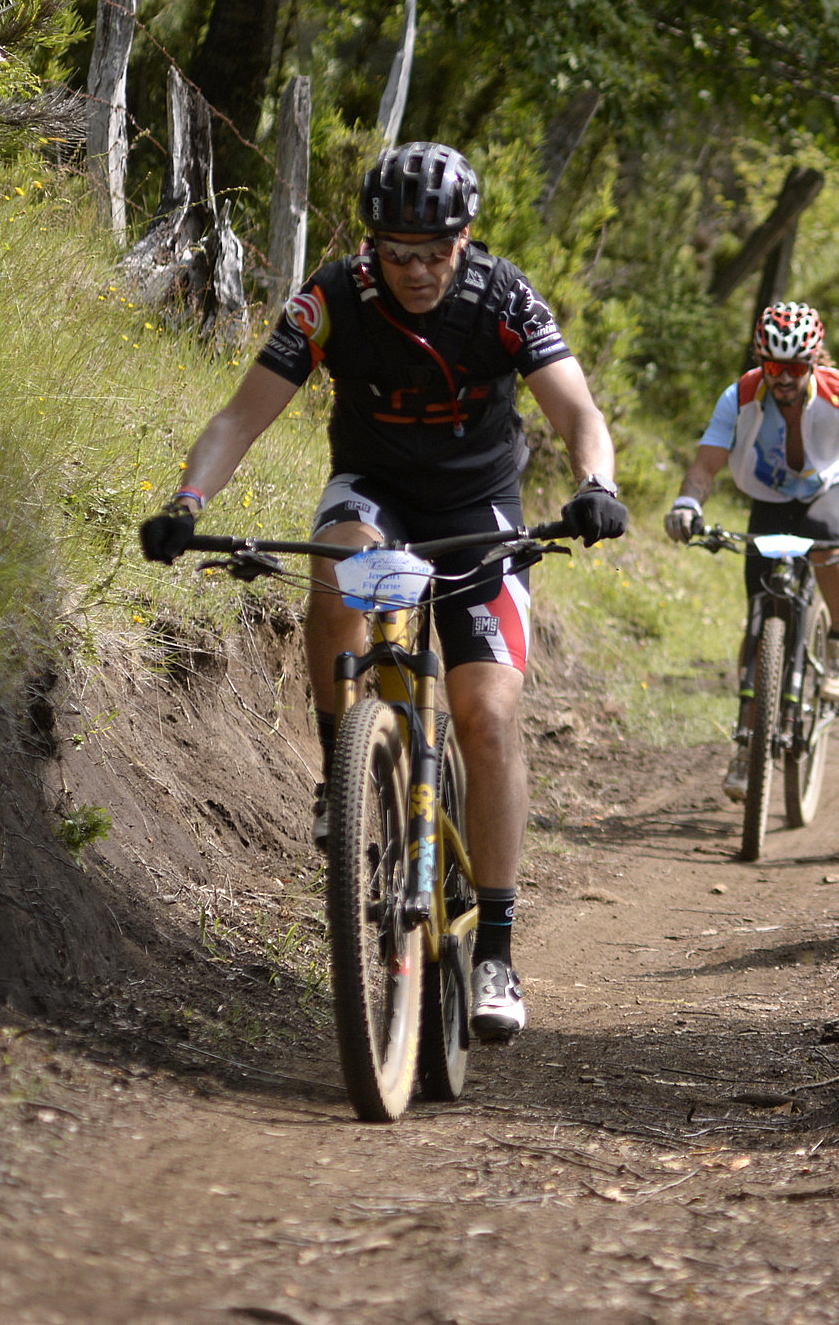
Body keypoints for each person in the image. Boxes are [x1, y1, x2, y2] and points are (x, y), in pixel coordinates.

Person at [137, 141, 629, 1044]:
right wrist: (187, 502)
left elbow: (576, 411)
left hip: (480, 509)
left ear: (464, 240)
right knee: (338, 555)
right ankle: (343, 774)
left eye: (433, 252)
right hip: (375, 493)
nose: (415, 271)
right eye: (397, 252)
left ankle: (496, 951)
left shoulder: (502, 297)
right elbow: (240, 416)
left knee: (487, 716)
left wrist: (595, 484)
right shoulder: (330, 300)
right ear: (372, 245)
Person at [664, 302, 839, 799]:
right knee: (760, 610)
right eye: (774, 367)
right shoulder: (740, 395)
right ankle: (747, 741)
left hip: (835, 488)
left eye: (795, 368)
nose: (784, 379)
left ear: (815, 360)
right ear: (761, 362)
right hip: (771, 500)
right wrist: (687, 503)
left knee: (823, 537)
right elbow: (704, 466)